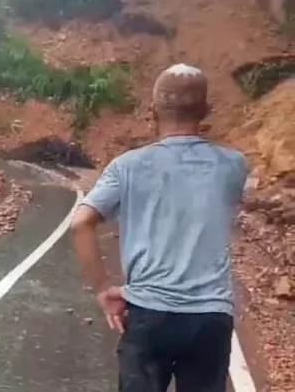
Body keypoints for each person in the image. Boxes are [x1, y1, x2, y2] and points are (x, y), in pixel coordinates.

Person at [71, 64, 249, 392]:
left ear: (151, 111)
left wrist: (103, 289)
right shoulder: (234, 165)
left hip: (148, 316)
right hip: (210, 318)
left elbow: (81, 223)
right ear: (207, 111)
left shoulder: (127, 167)